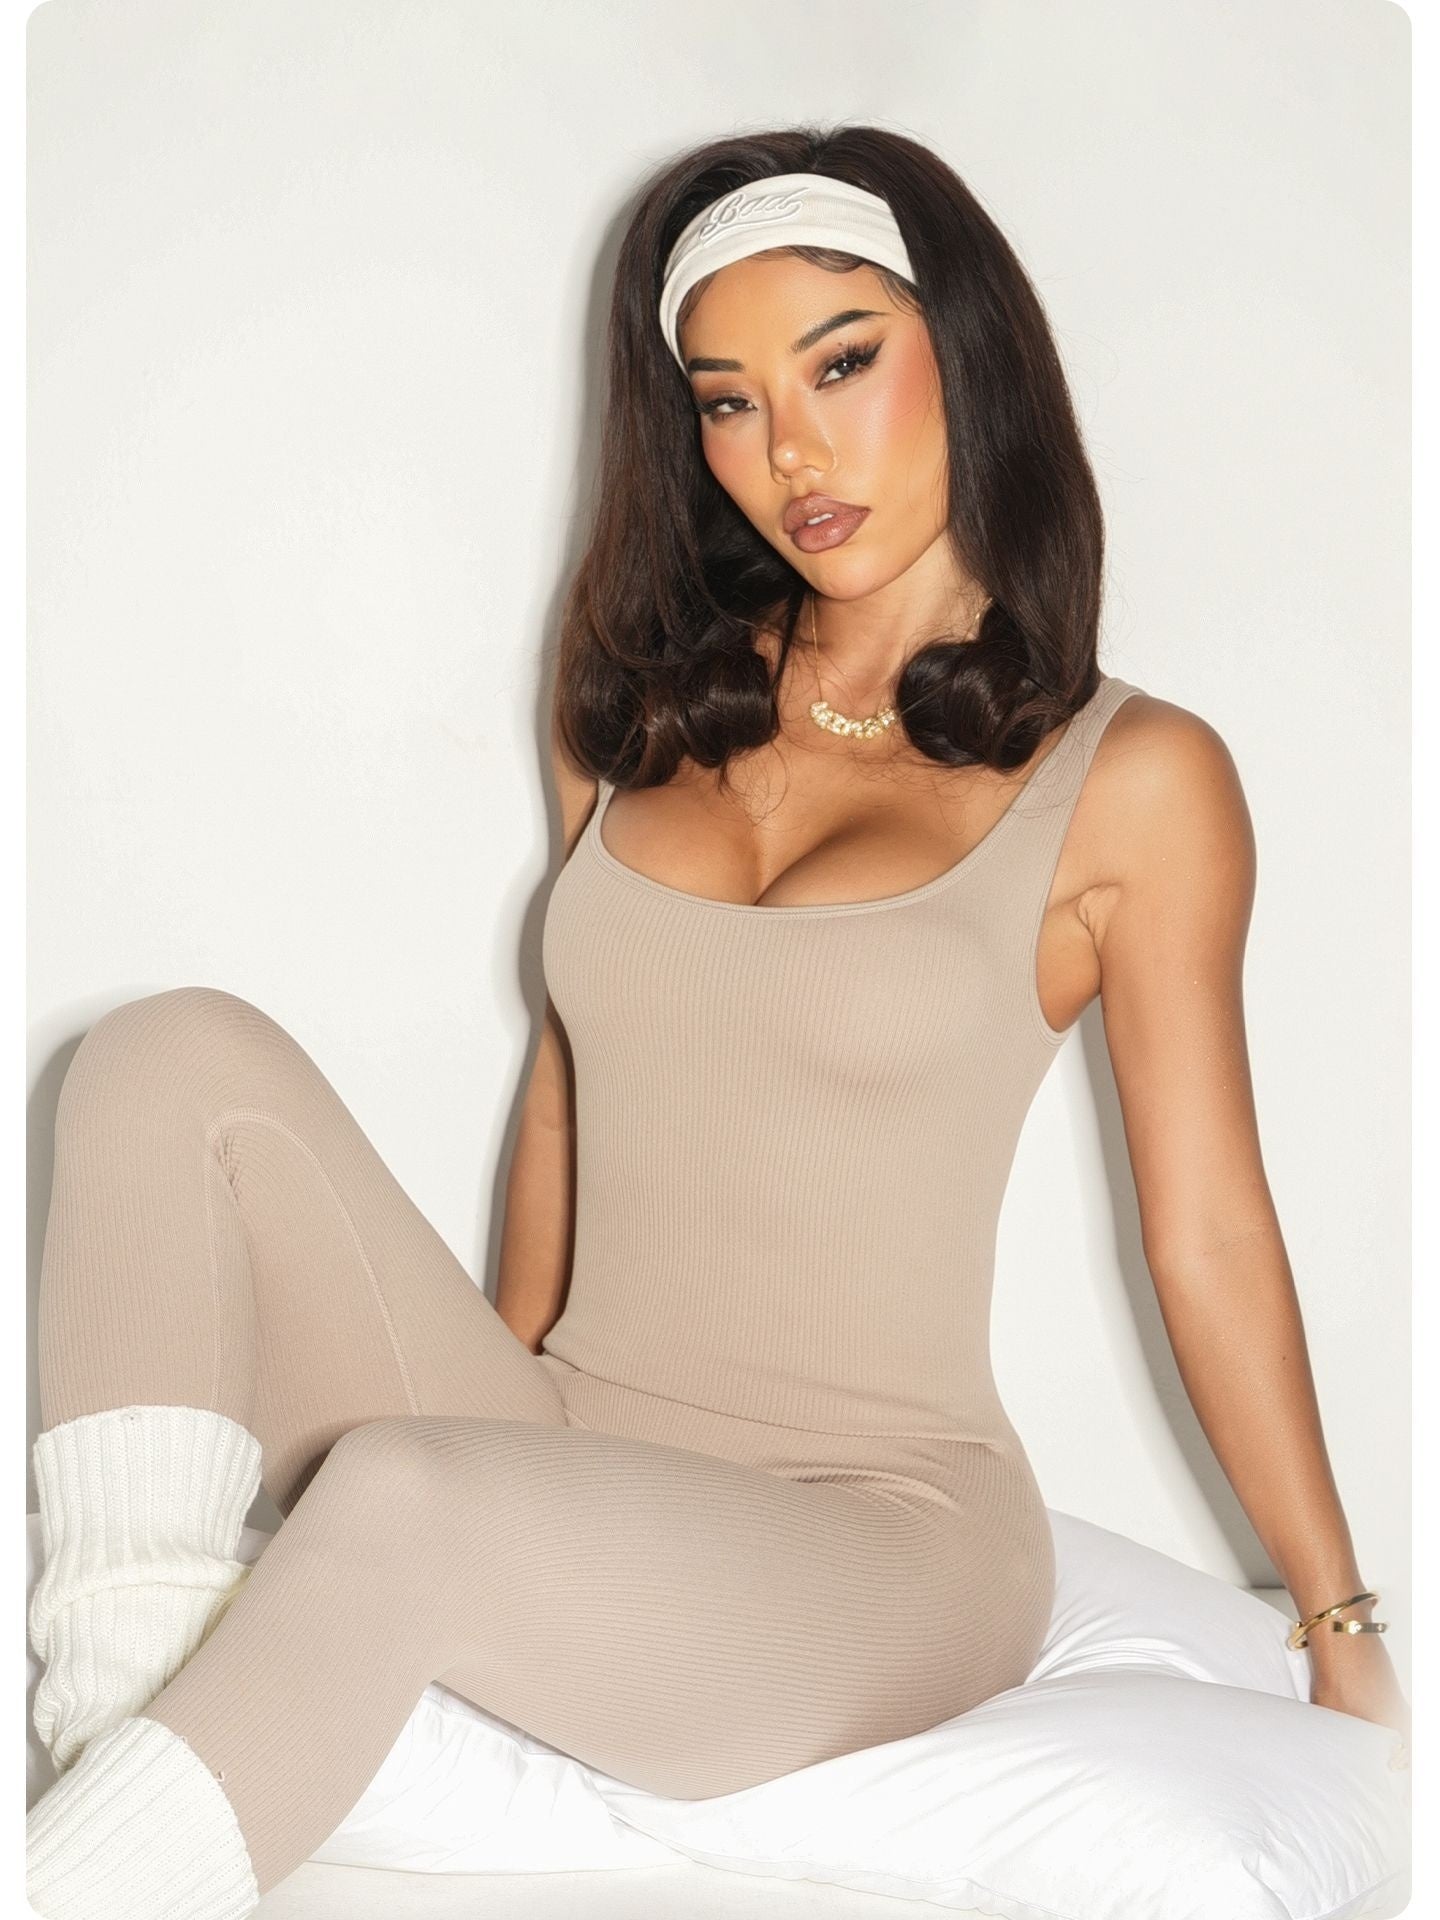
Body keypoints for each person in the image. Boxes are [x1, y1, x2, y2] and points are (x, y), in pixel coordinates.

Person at [26, 123, 1409, 1919]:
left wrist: (1335, 1615)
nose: (790, 454)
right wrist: (491, 1388)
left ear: (968, 353)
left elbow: (1208, 1230)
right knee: (165, 1055)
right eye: (729, 402)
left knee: (404, 1500)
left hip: (880, 1534)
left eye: (841, 364)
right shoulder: (634, 701)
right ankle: (114, 1722)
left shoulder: (1133, 779)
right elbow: (567, 1085)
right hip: (578, 1437)